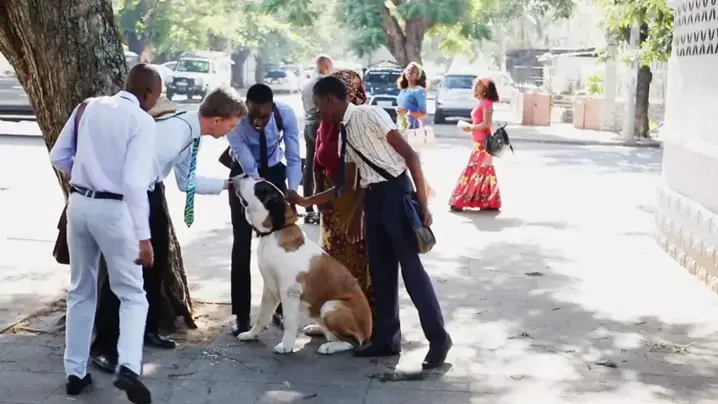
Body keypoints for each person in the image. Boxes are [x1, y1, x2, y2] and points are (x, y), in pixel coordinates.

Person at [89, 87, 247, 374]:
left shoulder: (191, 134)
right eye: (231, 125)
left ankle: (147, 328)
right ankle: (104, 346)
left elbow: (186, 182)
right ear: (217, 120)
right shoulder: (175, 132)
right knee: (121, 268)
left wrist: (229, 185)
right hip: (130, 196)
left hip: (150, 192)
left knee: (156, 262)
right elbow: (136, 175)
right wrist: (137, 224)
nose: (230, 132)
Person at [312, 76, 452, 370]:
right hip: (374, 200)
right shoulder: (344, 132)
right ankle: (387, 340)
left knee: (412, 272)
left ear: (329, 99)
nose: (317, 110)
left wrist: (422, 204)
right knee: (381, 273)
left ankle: (439, 339)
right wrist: (353, 214)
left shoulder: (370, 114)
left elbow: (411, 156)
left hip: (397, 194)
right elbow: (352, 183)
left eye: (318, 104)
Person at [49, 63, 162, 403]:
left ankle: (75, 372)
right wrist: (144, 237)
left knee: (80, 290)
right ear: (147, 93)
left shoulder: (89, 106)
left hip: (79, 204)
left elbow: (59, 156)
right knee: (132, 293)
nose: (156, 102)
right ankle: (128, 366)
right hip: (115, 211)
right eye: (157, 96)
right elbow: (134, 183)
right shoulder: (141, 121)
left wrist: (87, 178)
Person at [226, 83, 301, 336]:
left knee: (281, 245)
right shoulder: (235, 120)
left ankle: (280, 308)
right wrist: (255, 190)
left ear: (272, 108)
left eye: (264, 116)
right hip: (244, 174)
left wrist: (292, 190)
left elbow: (293, 155)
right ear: (245, 106)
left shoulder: (284, 114)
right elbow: (245, 160)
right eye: (254, 115)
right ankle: (240, 315)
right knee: (241, 242)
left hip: (275, 171)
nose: (259, 121)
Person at [294, 69, 372, 308]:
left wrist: (357, 212)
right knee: (332, 258)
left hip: (353, 201)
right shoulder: (326, 124)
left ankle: (358, 313)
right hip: (331, 200)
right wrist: (319, 198)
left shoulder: (358, 124)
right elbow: (317, 161)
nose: (318, 109)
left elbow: (359, 179)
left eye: (321, 102)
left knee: (355, 259)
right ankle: (333, 310)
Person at [449, 78, 501, 212]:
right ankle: (488, 201)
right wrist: (471, 127)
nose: (476, 86)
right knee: (483, 171)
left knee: (474, 170)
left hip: (483, 143)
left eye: (479, 85)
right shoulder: (482, 103)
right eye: (476, 84)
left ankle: (460, 201)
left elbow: (487, 123)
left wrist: (471, 127)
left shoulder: (487, 103)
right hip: (479, 141)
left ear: (485, 89)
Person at [300, 55, 334, 224]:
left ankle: (308, 207)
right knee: (323, 165)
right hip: (321, 126)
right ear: (327, 66)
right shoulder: (326, 84)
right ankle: (324, 204)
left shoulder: (307, 84)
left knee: (310, 165)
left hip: (308, 127)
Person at [396, 62, 427, 131]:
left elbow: (424, 114)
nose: (410, 72)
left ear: (417, 75)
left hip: (413, 128)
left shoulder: (419, 91)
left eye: (413, 71)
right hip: (401, 127)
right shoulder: (403, 91)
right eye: (408, 70)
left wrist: (408, 112)